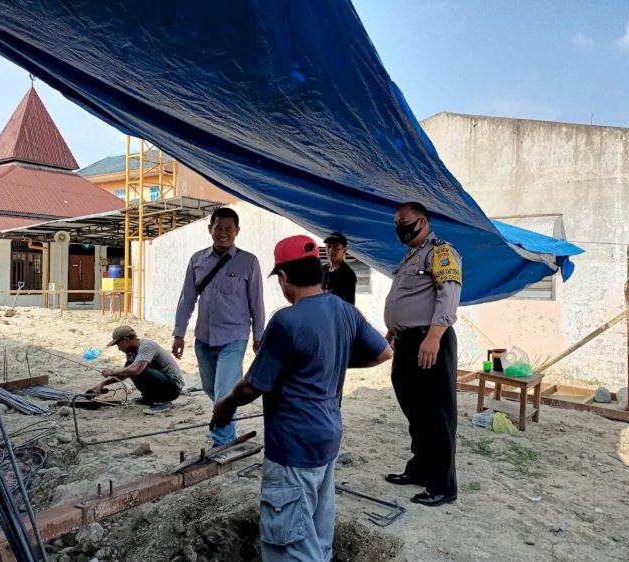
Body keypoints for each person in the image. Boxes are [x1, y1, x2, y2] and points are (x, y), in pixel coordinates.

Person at [211, 235, 392, 562]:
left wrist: (225, 405)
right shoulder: (344, 310)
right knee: (317, 538)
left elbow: (253, 386)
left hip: (292, 448)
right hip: (327, 441)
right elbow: (384, 353)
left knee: (290, 547)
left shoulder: (286, 321)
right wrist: (328, 358)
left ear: (283, 276)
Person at [383, 201, 462, 507]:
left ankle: (443, 485)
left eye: (406, 222)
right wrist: (393, 330)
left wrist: (433, 337)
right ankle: (420, 470)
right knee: (415, 412)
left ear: (424, 221)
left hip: (429, 341)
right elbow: (407, 299)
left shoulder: (440, 252)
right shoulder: (410, 256)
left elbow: (448, 294)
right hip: (406, 341)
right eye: (396, 223)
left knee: (436, 415)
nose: (400, 228)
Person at [172, 207, 265, 444]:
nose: (223, 233)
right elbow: (187, 299)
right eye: (218, 228)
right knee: (212, 389)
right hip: (203, 338)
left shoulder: (249, 262)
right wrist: (179, 334)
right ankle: (228, 420)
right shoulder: (197, 259)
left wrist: (258, 337)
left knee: (224, 391)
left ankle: (221, 442)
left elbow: (257, 303)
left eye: (229, 229)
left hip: (234, 338)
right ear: (210, 229)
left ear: (237, 231)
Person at [93, 325, 184, 415]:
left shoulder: (146, 346)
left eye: (118, 344)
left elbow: (135, 369)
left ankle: (162, 402)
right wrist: (103, 384)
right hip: (165, 383)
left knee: (136, 368)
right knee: (129, 366)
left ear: (126, 340)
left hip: (173, 387)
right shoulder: (131, 353)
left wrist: (112, 372)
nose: (119, 349)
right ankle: (149, 398)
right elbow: (125, 374)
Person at [322, 232, 357, 305]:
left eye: (336, 247)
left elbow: (348, 306)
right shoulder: (322, 270)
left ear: (344, 250)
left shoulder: (347, 274)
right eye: (328, 246)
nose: (331, 250)